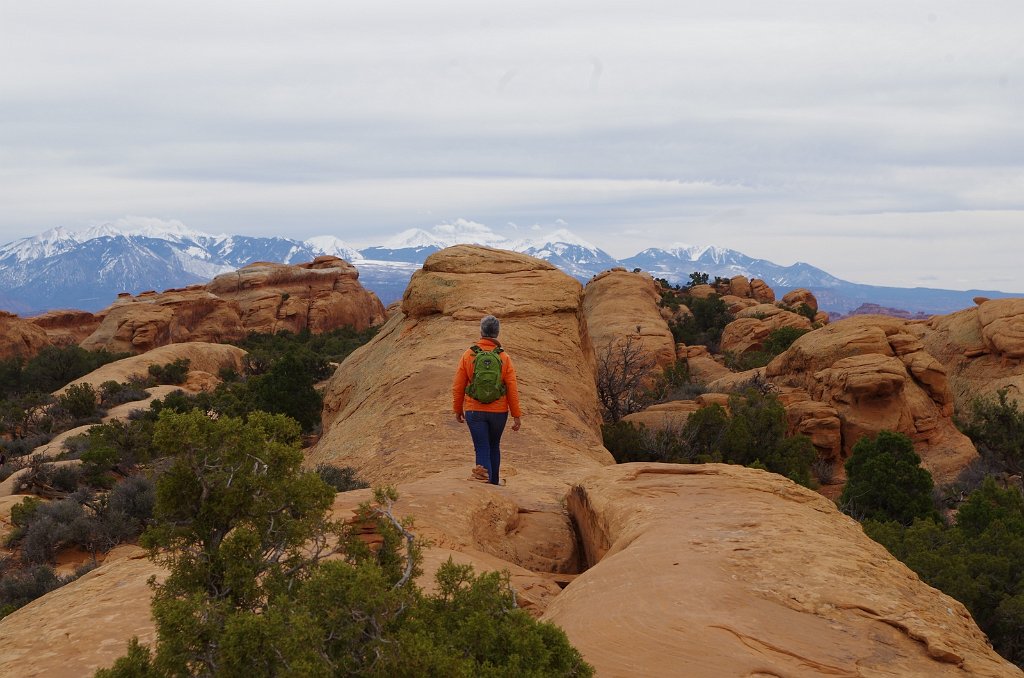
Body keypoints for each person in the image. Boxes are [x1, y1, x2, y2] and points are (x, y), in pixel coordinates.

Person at [452, 314, 522, 485]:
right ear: (497, 333)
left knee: (482, 446)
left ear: (481, 332)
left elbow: (458, 385)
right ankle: (494, 483)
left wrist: (457, 409)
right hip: (499, 411)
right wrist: (516, 415)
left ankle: (484, 480)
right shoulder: (504, 357)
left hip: (474, 410)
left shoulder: (469, 354)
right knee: (494, 446)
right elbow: (512, 387)